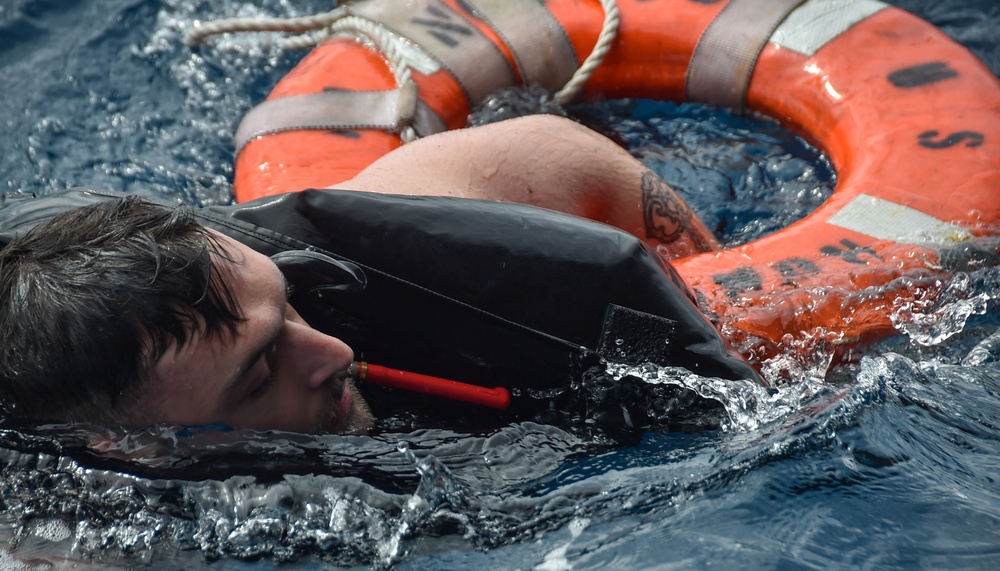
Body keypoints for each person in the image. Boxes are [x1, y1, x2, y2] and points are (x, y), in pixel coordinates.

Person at [0, 115, 755, 435]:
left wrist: (714, 282)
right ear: (118, 443)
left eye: (287, 306)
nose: (330, 351)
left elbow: (554, 153)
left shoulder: (364, 255)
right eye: (260, 372)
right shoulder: (60, 527)